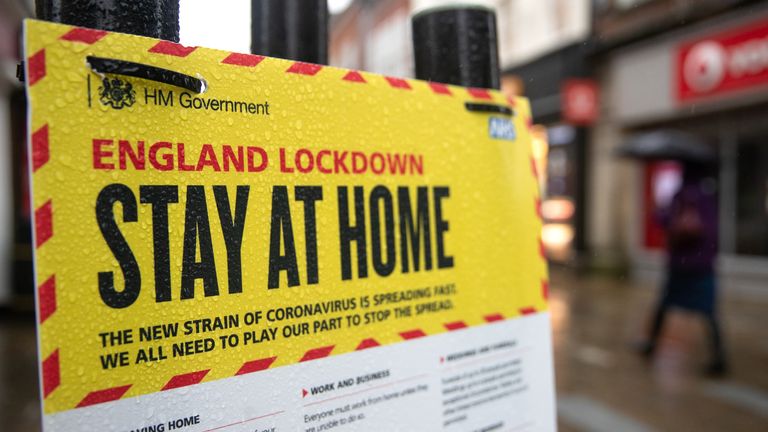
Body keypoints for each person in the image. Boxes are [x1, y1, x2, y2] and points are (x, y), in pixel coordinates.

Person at [640, 162, 727, 376]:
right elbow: (713, 232)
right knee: (708, 311)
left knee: (665, 304)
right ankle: (719, 357)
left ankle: (651, 344)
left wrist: (659, 211)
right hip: (702, 266)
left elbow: (663, 220)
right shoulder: (707, 196)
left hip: (681, 264)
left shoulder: (681, 195)